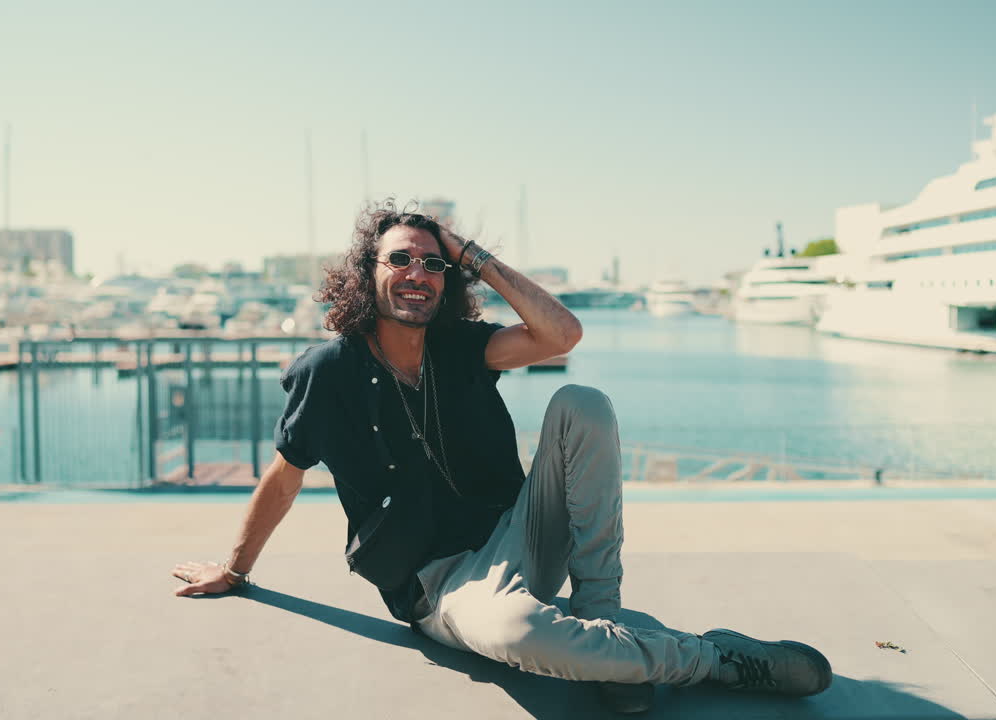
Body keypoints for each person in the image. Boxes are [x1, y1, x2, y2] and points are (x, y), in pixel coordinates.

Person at [171, 201, 832, 714]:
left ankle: (604, 619)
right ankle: (707, 658)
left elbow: (562, 334)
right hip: (442, 585)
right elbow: (283, 479)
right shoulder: (329, 373)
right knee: (518, 635)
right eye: (401, 259)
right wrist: (235, 570)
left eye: (434, 264)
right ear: (366, 273)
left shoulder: (462, 346)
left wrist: (474, 255)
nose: (419, 275)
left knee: (583, 401)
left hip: (522, 533)